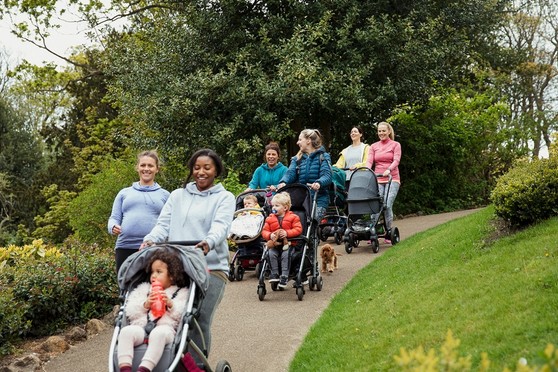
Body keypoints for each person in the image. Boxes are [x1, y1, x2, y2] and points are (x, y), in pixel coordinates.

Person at [142, 149, 235, 365]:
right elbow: (163, 225)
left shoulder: (224, 197)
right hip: (179, 267)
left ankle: (197, 367)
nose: (201, 172)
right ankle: (172, 364)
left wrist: (208, 242)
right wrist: (150, 240)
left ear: (216, 171)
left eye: (207, 168)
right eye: (196, 167)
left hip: (211, 267)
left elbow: (221, 226)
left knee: (198, 319)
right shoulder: (177, 196)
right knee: (173, 317)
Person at [117, 249, 189, 372]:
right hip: (141, 328)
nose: (153, 276)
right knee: (126, 332)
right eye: (152, 272)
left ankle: (144, 369)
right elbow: (130, 311)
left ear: (172, 276)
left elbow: (182, 314)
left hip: (166, 329)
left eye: (159, 272)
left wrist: (171, 304)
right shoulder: (143, 289)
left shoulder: (180, 293)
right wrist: (145, 304)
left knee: (158, 334)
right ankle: (125, 369)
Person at [108, 150, 170, 273]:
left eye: (150, 165)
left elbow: (169, 223)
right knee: (125, 286)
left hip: (154, 248)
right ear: (137, 167)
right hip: (125, 247)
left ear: (157, 169)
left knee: (152, 287)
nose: (146, 169)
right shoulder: (124, 193)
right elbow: (114, 218)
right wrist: (113, 226)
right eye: (143, 165)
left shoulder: (165, 195)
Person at [277, 129, 332, 223]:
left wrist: (319, 182)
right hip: (301, 199)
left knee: (313, 220)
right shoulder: (297, 159)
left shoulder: (323, 156)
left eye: (300, 139)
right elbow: (290, 173)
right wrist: (283, 182)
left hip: (318, 199)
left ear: (308, 140)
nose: (297, 142)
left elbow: (327, 175)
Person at [366, 122, 402, 244]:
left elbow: (396, 160)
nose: (381, 133)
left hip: (392, 178)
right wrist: (365, 171)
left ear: (389, 131)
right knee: (375, 205)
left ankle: (388, 231)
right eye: (379, 131)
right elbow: (369, 161)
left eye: (383, 131)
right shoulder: (374, 146)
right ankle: (373, 231)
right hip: (378, 179)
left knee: (386, 205)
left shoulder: (395, 145)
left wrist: (389, 169)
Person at [261, 192, 303, 288]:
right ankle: (275, 273)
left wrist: (287, 233)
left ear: (285, 208)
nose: (274, 208)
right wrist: (270, 235)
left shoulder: (293, 217)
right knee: (270, 253)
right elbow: (264, 231)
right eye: (273, 206)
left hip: (289, 244)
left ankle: (284, 275)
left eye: (277, 205)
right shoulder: (269, 219)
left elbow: (298, 229)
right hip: (275, 244)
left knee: (286, 254)